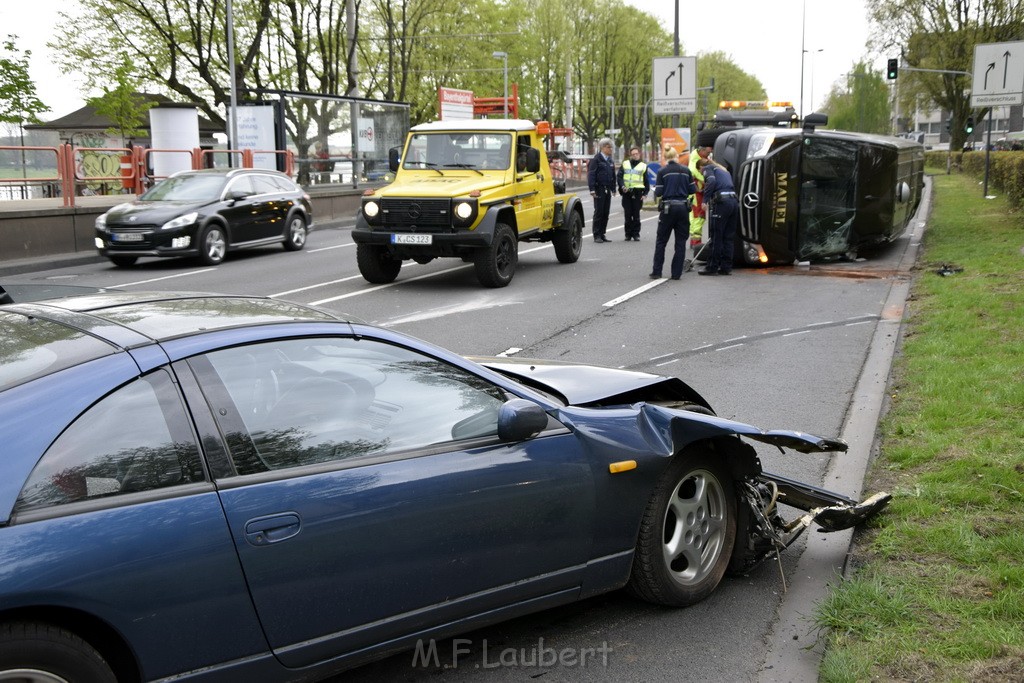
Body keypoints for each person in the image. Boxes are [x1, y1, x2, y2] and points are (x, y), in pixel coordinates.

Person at [650, 146, 697, 280]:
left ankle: (657, 271)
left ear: (665, 158)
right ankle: (676, 273)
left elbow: (658, 192)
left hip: (667, 209)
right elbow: (692, 190)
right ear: (676, 156)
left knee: (661, 241)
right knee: (680, 242)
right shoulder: (686, 171)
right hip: (682, 208)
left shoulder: (662, 172)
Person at [697, 157, 738, 275]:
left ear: (701, 167)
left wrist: (705, 200)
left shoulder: (707, 168)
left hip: (722, 203)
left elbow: (711, 181)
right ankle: (726, 267)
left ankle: (712, 267)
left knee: (716, 236)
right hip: (733, 202)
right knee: (728, 237)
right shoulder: (723, 170)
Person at [617, 146, 649, 241]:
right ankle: (628, 234)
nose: (635, 156)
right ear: (630, 155)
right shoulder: (625, 164)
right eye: (633, 154)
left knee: (636, 215)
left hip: (638, 193)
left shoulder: (643, 166)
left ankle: (636, 234)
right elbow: (619, 177)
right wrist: (622, 186)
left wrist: (645, 193)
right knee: (627, 214)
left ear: (639, 154)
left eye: (636, 154)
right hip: (626, 193)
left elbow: (646, 181)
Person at [587, 138, 616, 243]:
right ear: (603, 148)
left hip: (607, 188)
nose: (611, 149)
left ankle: (602, 233)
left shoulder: (610, 160)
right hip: (599, 188)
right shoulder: (596, 159)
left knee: (606, 212)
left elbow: (613, 175)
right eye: (609, 147)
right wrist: (592, 189)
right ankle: (597, 234)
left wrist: (613, 188)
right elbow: (591, 174)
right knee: (599, 212)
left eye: (611, 147)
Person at [688, 145, 712, 253]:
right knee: (699, 217)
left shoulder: (695, 156)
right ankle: (696, 243)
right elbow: (695, 172)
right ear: (702, 150)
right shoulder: (695, 160)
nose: (708, 155)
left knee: (695, 217)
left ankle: (694, 242)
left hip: (695, 194)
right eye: (707, 152)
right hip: (698, 194)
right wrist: (706, 179)